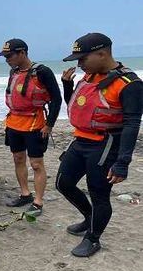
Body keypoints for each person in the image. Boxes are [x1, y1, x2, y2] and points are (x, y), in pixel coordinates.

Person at [56, 33, 143, 257]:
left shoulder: (130, 84)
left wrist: (123, 162)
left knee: (99, 194)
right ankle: (89, 217)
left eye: (83, 58)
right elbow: (79, 108)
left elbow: (132, 124)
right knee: (63, 183)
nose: (79, 64)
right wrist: (67, 86)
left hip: (105, 144)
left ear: (102, 53)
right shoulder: (87, 77)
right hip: (80, 140)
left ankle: (93, 239)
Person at [0, 39, 62, 216]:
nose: (7, 59)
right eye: (5, 56)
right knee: (18, 158)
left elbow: (56, 99)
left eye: (9, 56)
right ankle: (25, 194)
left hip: (35, 122)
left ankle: (38, 202)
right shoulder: (13, 71)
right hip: (14, 122)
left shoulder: (42, 72)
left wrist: (49, 125)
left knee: (36, 163)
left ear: (22, 53)